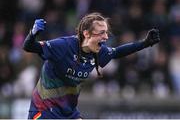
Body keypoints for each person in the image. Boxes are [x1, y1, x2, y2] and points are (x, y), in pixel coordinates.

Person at [23, 12, 160, 119]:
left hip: (69, 113)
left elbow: (117, 52)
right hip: (44, 110)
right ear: (86, 34)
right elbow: (28, 46)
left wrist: (144, 43)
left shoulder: (99, 51)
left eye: (106, 32)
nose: (106, 37)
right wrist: (33, 33)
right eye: (101, 33)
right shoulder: (64, 46)